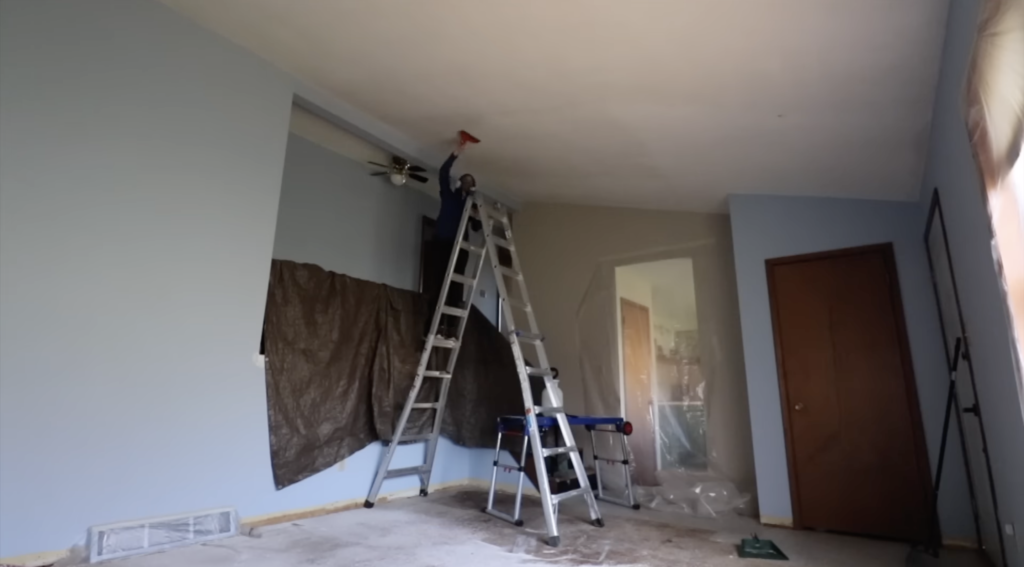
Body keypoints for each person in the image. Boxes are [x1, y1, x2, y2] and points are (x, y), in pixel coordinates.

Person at [423, 141, 481, 338]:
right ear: (459, 183)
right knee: (438, 286)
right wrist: (455, 153)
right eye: (464, 179)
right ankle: (434, 328)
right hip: (441, 243)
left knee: (456, 288)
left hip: (459, 247)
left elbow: (475, 227)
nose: (466, 182)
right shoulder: (449, 196)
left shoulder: (471, 205)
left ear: (472, 187)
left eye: (470, 181)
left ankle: (451, 329)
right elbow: (442, 174)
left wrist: (477, 215)